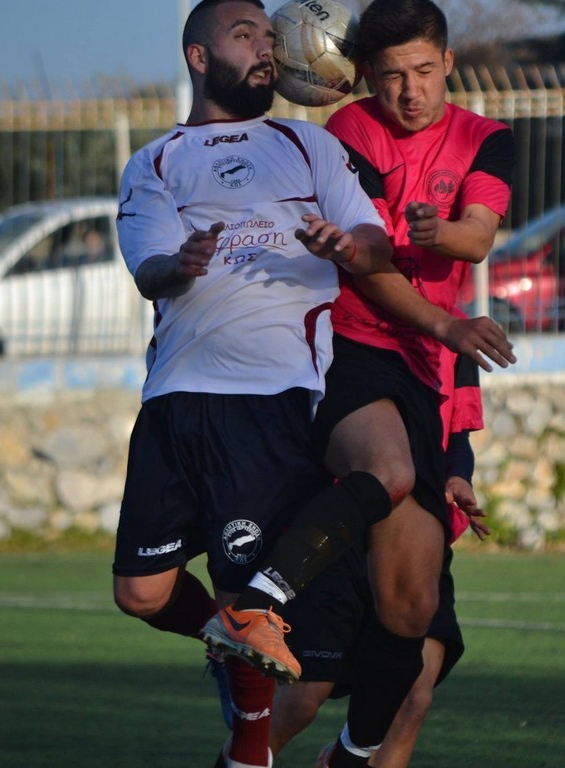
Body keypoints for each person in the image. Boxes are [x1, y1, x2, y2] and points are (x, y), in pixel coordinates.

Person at [202, 1, 517, 765]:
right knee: (386, 474)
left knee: (413, 617)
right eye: (391, 76)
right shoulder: (351, 130)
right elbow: (369, 262)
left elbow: (477, 237)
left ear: (448, 62)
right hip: (349, 347)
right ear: (366, 77)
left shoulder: (487, 137)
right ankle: (260, 601)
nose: (410, 91)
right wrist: (436, 313)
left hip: (425, 371)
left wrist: (443, 236)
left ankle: (351, 756)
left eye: (423, 71)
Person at [109, 2, 393, 767]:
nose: (266, 50)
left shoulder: (307, 145)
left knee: (247, 598)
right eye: (245, 37)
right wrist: (180, 264)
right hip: (174, 395)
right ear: (199, 58)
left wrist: (348, 245)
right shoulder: (156, 162)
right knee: (140, 593)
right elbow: (148, 269)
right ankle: (226, 638)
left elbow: (375, 241)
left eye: (270, 37)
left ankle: (245, 752)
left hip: (269, 398)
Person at [267, 340, 491, 767]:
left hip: (418, 532)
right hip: (339, 534)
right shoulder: (345, 326)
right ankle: (241, 756)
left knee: (414, 698)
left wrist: (459, 477)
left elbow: (458, 436)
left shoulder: (458, 337)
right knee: (303, 699)